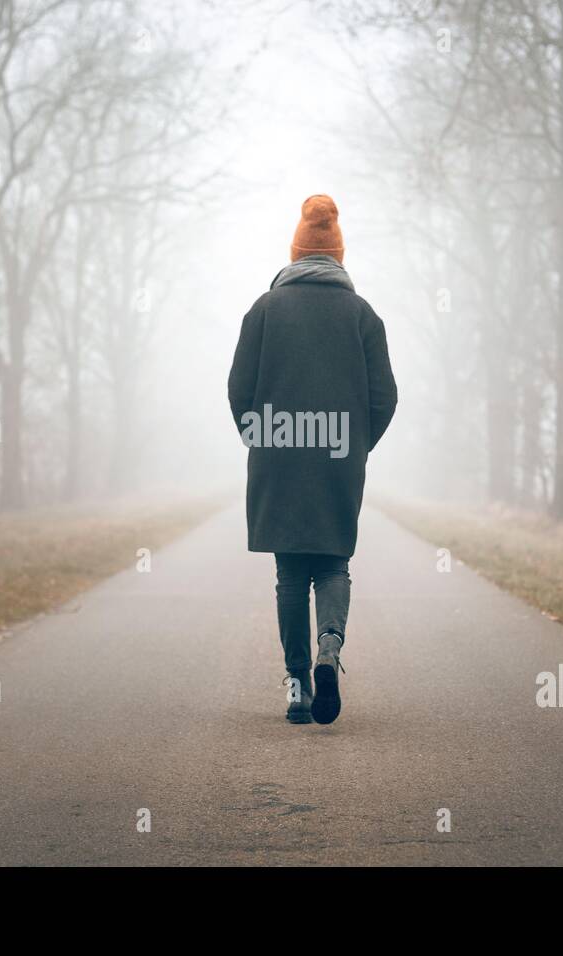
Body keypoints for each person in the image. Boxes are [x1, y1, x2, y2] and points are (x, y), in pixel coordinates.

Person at [227, 194, 398, 725]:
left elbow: (239, 390)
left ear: (295, 255)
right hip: (337, 455)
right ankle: (329, 647)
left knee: (289, 575)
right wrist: (354, 447)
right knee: (331, 562)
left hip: (277, 455)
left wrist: (262, 440)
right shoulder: (362, 315)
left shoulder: (263, 309)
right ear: (338, 258)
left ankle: (298, 685)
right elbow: (384, 397)